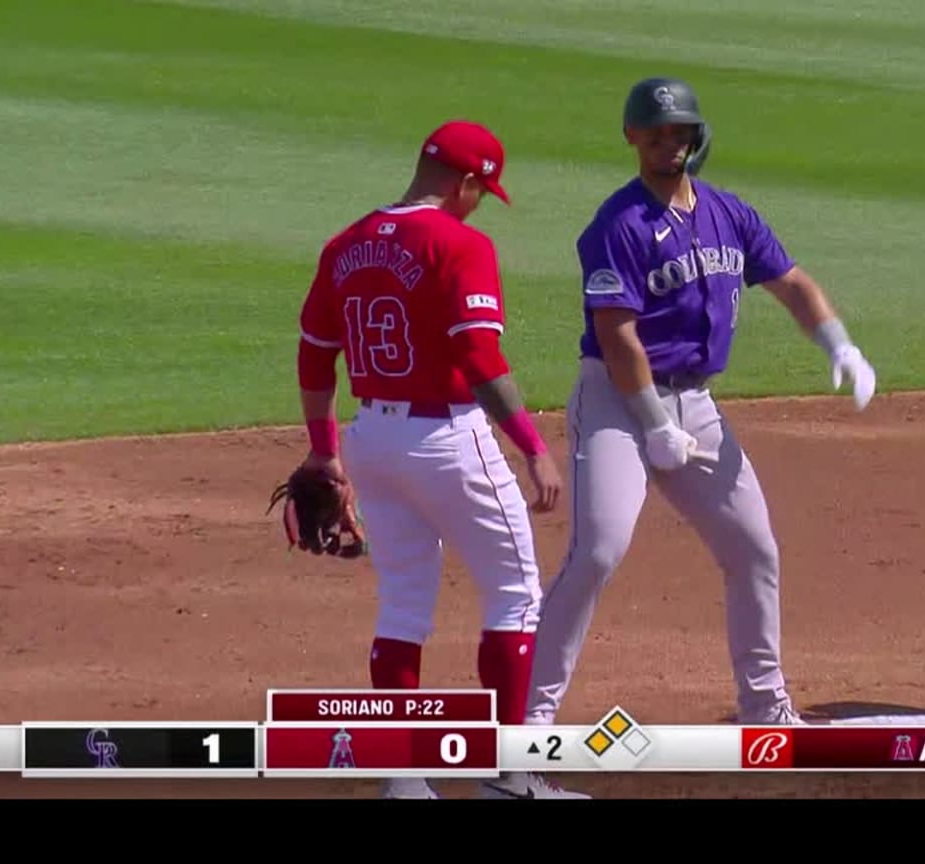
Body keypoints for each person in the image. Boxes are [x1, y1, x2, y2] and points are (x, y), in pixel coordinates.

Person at [522, 77, 877, 728]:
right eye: (654, 134)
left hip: (697, 405)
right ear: (632, 137)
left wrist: (839, 345)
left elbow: (790, 281)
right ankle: (530, 726)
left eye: (678, 132)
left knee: (754, 552)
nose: (668, 144)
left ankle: (766, 711)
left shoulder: (728, 213)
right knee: (598, 552)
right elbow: (616, 333)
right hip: (617, 404)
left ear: (694, 134)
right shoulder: (617, 225)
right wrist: (655, 426)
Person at [293, 119, 589, 797]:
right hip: (448, 441)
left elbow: (315, 352)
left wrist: (323, 453)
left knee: (402, 606)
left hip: (370, 440)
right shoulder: (459, 243)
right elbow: (479, 357)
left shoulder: (346, 243)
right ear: (467, 183)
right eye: (483, 192)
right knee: (515, 597)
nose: (481, 204)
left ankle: (403, 780)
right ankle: (509, 775)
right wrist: (534, 447)